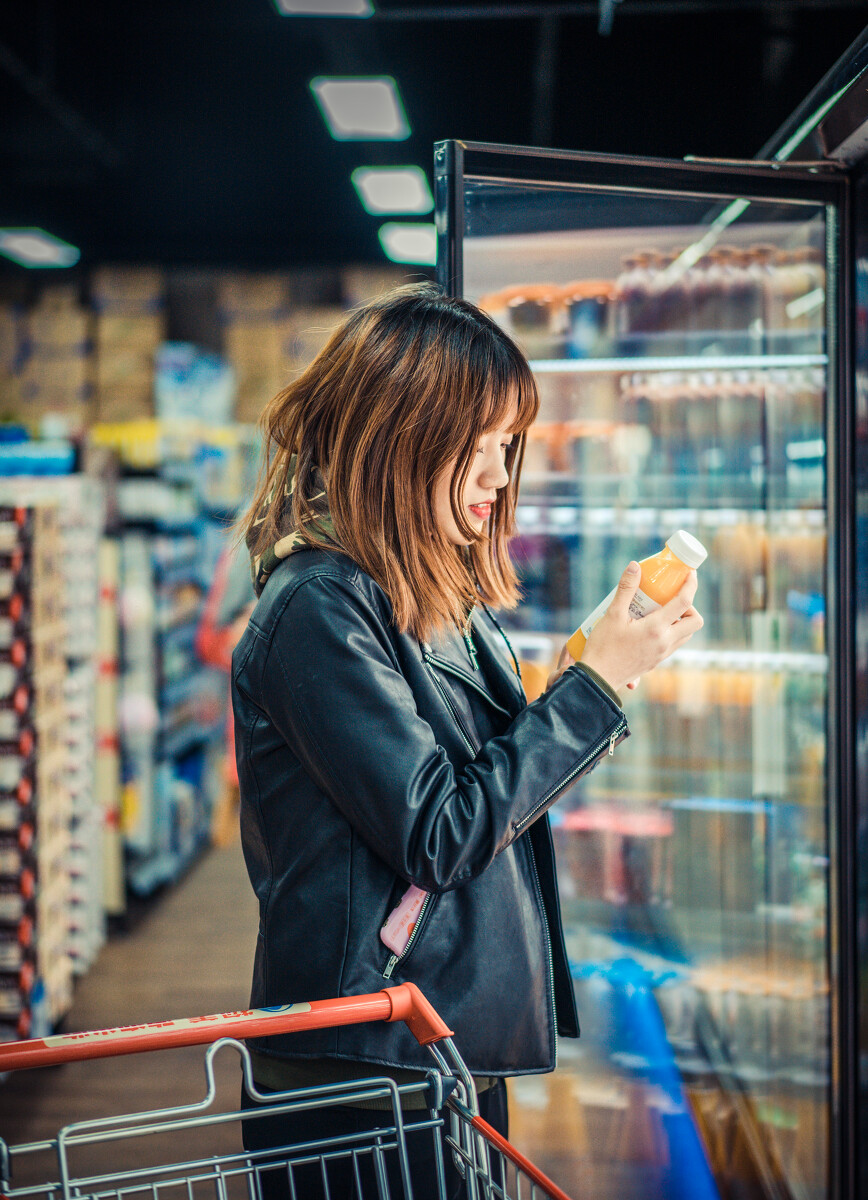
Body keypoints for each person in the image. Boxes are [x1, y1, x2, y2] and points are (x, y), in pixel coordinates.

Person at [231, 283, 702, 1198]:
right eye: (475, 444)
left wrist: (586, 668)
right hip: (362, 1081)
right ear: (400, 437)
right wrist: (595, 688)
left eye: (505, 445)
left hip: (437, 1048)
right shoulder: (319, 607)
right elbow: (440, 831)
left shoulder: (430, 590)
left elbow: (474, 772)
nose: (497, 473)